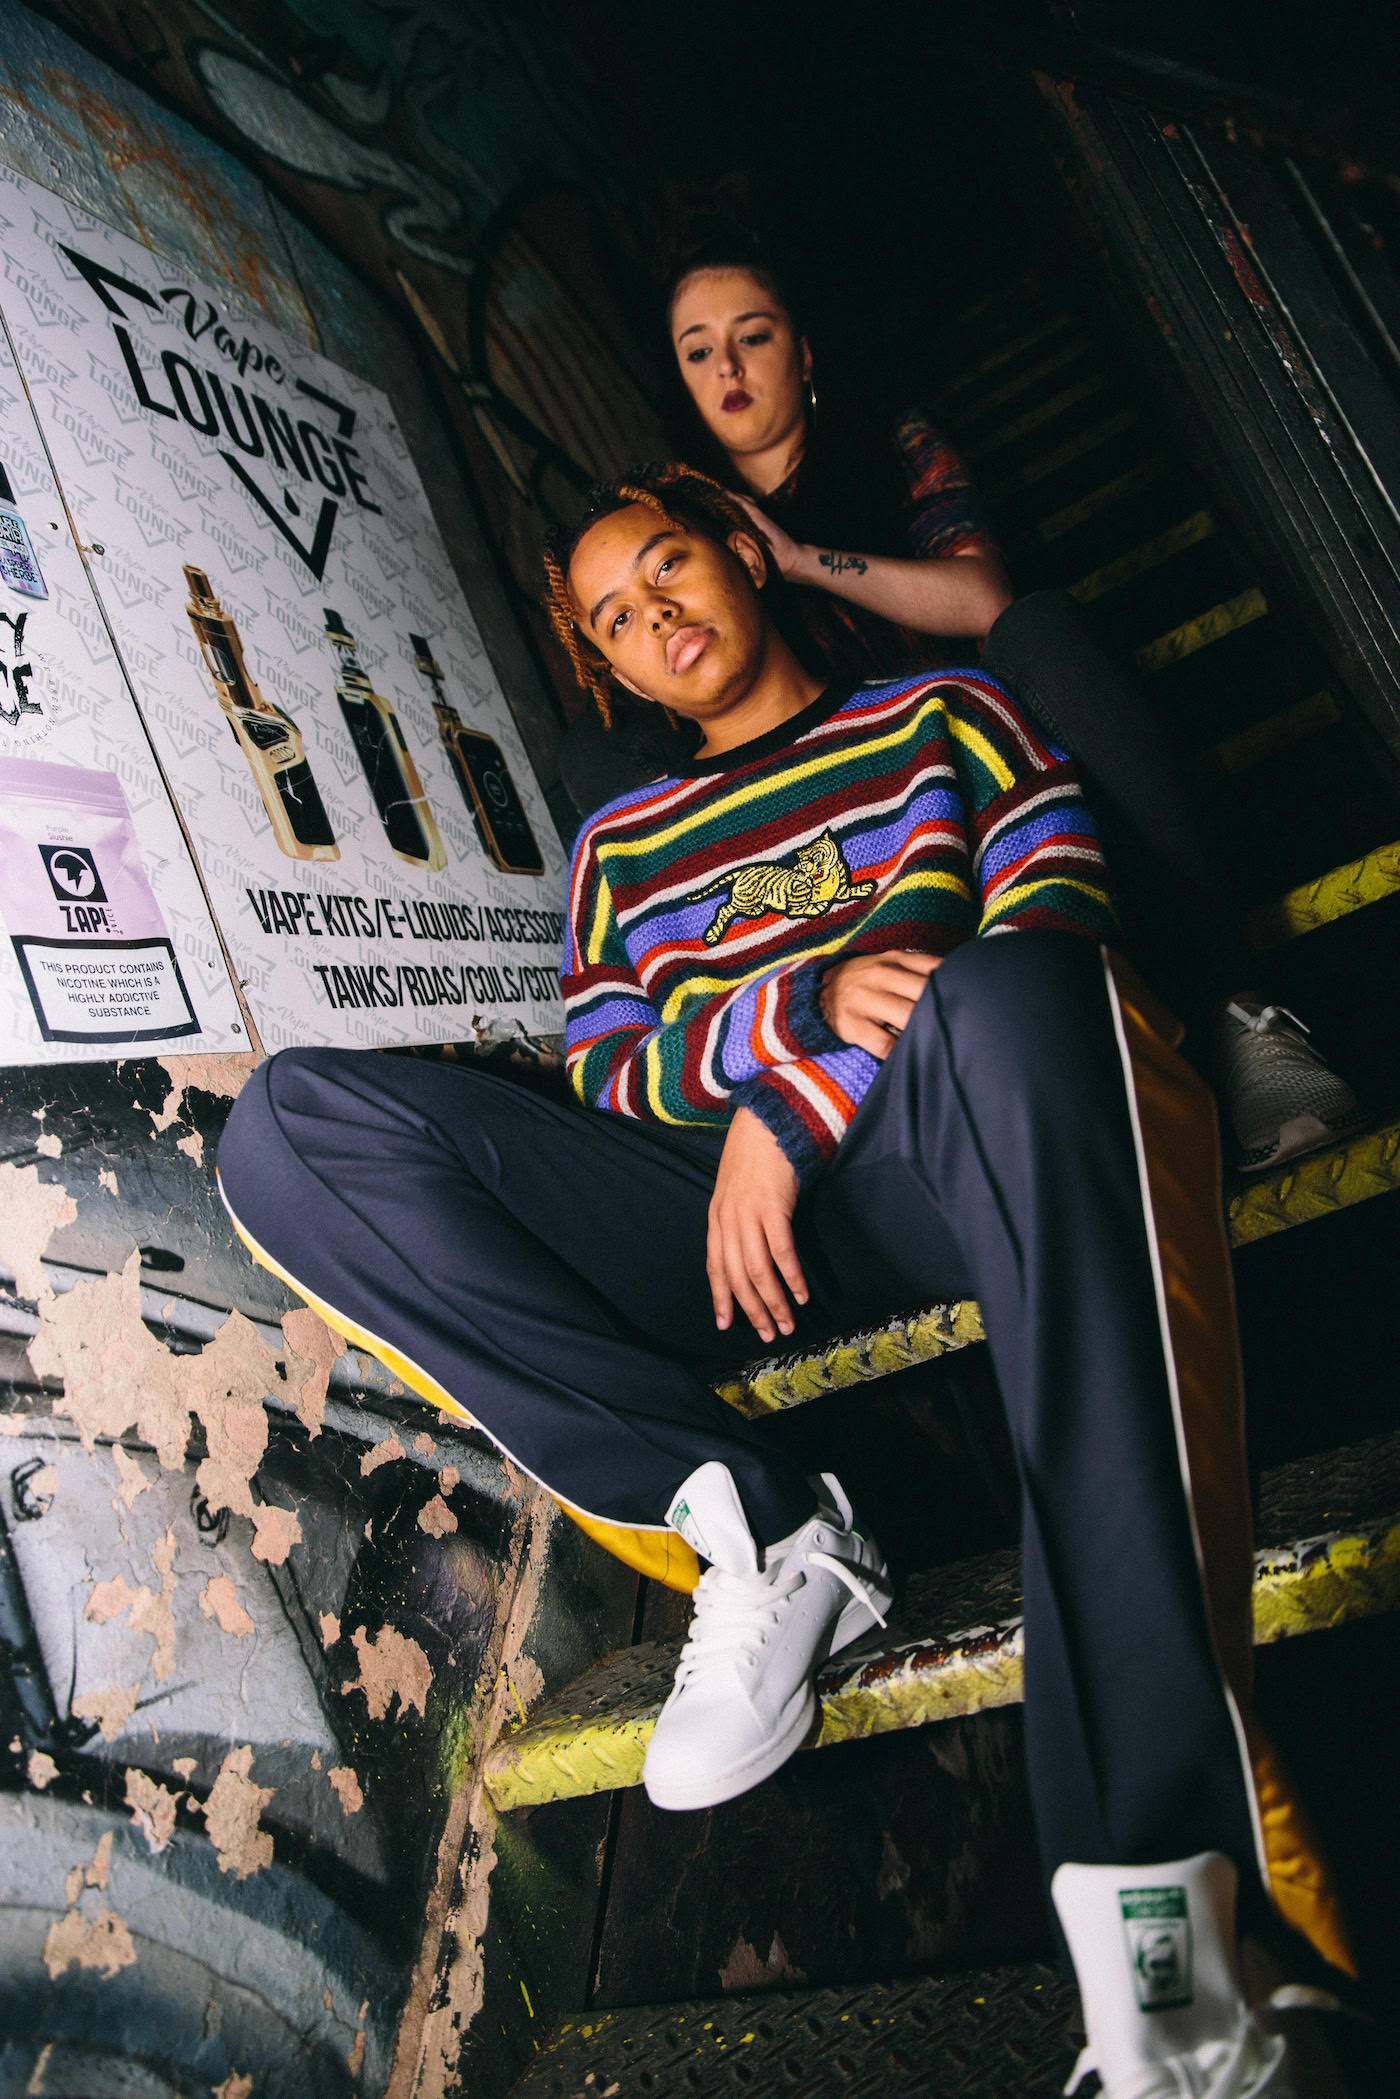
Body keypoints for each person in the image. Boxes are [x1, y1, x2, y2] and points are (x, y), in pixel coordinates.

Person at [220, 463, 1347, 2099]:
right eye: (613, 616)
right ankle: (760, 1520)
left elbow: (1053, 905)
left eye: (668, 563)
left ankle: (1165, 1948)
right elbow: (614, 1063)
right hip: (722, 1225)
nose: (653, 616)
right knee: (290, 1127)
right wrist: (792, 1025)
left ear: (741, 553)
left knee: (1023, 1000)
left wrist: (798, 1095)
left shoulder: (944, 714)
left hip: (951, 1150)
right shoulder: (622, 841)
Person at [560, 230, 1362, 1179]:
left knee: (1042, 633)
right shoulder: (679, 528)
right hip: (803, 821)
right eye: (698, 351)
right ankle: (753, 1079)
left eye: (753, 336)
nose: (727, 369)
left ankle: (1227, 1006)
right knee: (598, 768)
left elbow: (984, 598)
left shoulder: (884, 450)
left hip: (962, 768)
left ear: (803, 353)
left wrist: (798, 560)